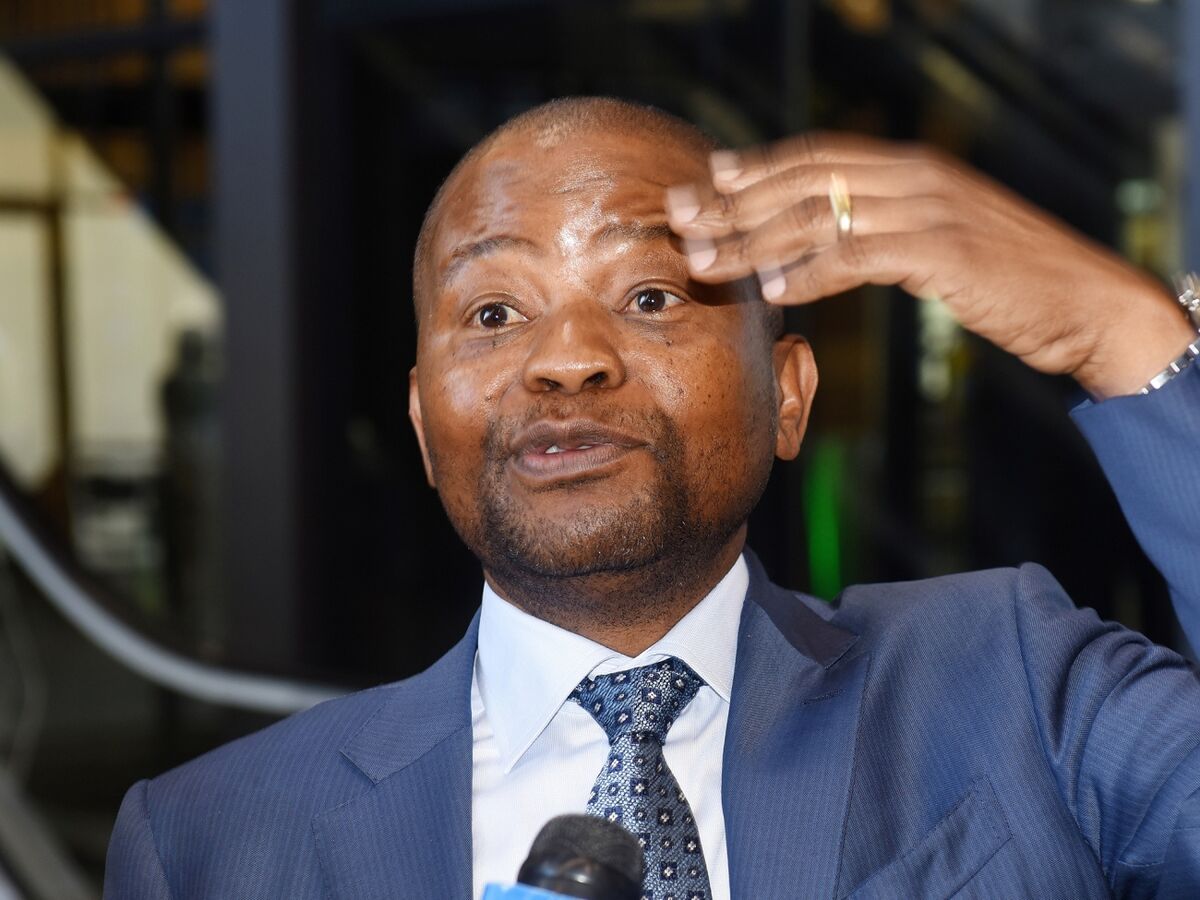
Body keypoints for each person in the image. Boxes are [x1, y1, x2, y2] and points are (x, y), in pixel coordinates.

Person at [105, 98, 1200, 899]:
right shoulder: (209, 841)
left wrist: (1118, 330)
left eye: (650, 294)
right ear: (424, 427)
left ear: (788, 396)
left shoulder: (1012, 681)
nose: (566, 359)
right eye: (494, 314)